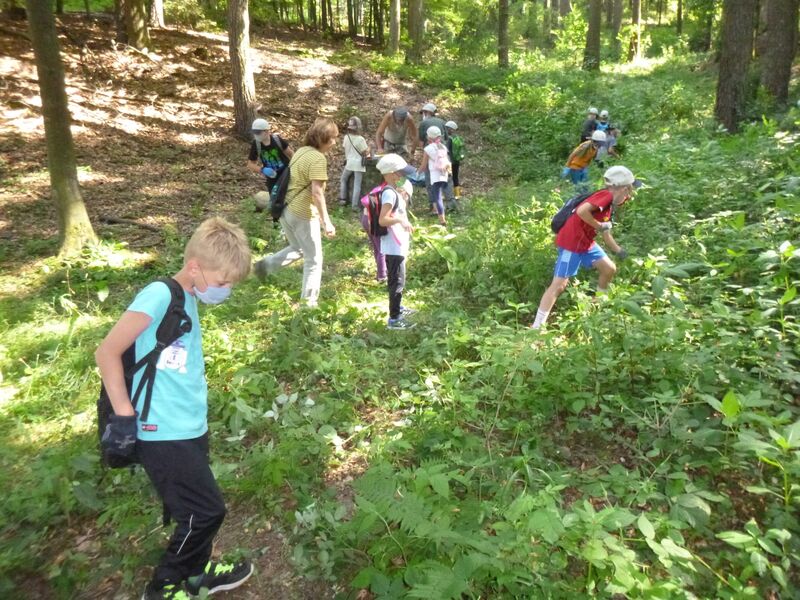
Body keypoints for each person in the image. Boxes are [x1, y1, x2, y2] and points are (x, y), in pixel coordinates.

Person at [95, 217, 254, 600]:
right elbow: (107, 352)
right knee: (206, 512)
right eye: (222, 282)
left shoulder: (188, 297)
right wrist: (124, 415)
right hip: (160, 430)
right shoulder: (160, 294)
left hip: (187, 425)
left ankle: (198, 571)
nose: (226, 290)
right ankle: (164, 586)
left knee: (194, 509)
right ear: (195, 267)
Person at [531, 166, 642, 330]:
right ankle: (537, 327)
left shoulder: (608, 204)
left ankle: (597, 309)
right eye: (630, 191)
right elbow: (582, 212)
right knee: (559, 285)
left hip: (585, 243)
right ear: (625, 188)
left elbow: (605, 233)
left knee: (609, 269)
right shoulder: (605, 196)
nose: (629, 195)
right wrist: (599, 225)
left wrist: (619, 251)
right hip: (571, 243)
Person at [253, 118, 338, 307]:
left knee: (298, 248)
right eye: (332, 138)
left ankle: (265, 266)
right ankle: (309, 304)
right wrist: (326, 221)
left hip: (285, 209)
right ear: (323, 138)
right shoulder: (317, 158)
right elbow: (317, 192)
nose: (334, 142)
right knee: (314, 260)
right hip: (303, 213)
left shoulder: (301, 151)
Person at [376, 154, 416, 330]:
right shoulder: (389, 194)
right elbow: (382, 220)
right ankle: (394, 319)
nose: (403, 176)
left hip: (397, 244)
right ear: (392, 174)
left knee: (398, 279)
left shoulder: (393, 191)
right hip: (393, 246)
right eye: (400, 173)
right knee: (396, 282)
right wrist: (400, 220)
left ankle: (398, 308)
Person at [247, 118, 294, 210]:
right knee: (275, 203)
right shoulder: (256, 144)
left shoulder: (277, 140)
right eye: (255, 133)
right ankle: (276, 223)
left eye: (258, 132)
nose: (256, 135)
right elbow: (250, 164)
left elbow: (292, 154)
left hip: (286, 174)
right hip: (272, 178)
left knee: (289, 198)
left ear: (266, 131)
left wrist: (294, 168)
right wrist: (263, 170)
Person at [418, 126, 450, 226]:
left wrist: (416, 172)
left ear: (429, 137)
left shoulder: (428, 149)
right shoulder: (443, 147)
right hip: (444, 174)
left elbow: (423, 166)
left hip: (435, 176)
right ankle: (440, 213)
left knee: (438, 197)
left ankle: (442, 221)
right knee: (440, 195)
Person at [339, 116, 370, 210]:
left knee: (343, 180)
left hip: (349, 163)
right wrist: (370, 147)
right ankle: (354, 205)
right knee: (357, 184)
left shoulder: (346, 137)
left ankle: (343, 199)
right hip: (358, 164)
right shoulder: (360, 139)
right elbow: (365, 152)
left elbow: (345, 148)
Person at [444, 120, 465, 207]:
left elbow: (446, 150)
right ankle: (458, 196)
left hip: (450, 161)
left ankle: (450, 196)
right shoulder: (458, 138)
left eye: (447, 128)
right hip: (456, 161)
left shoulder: (449, 139)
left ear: (450, 129)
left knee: (449, 179)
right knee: (456, 178)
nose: (446, 129)